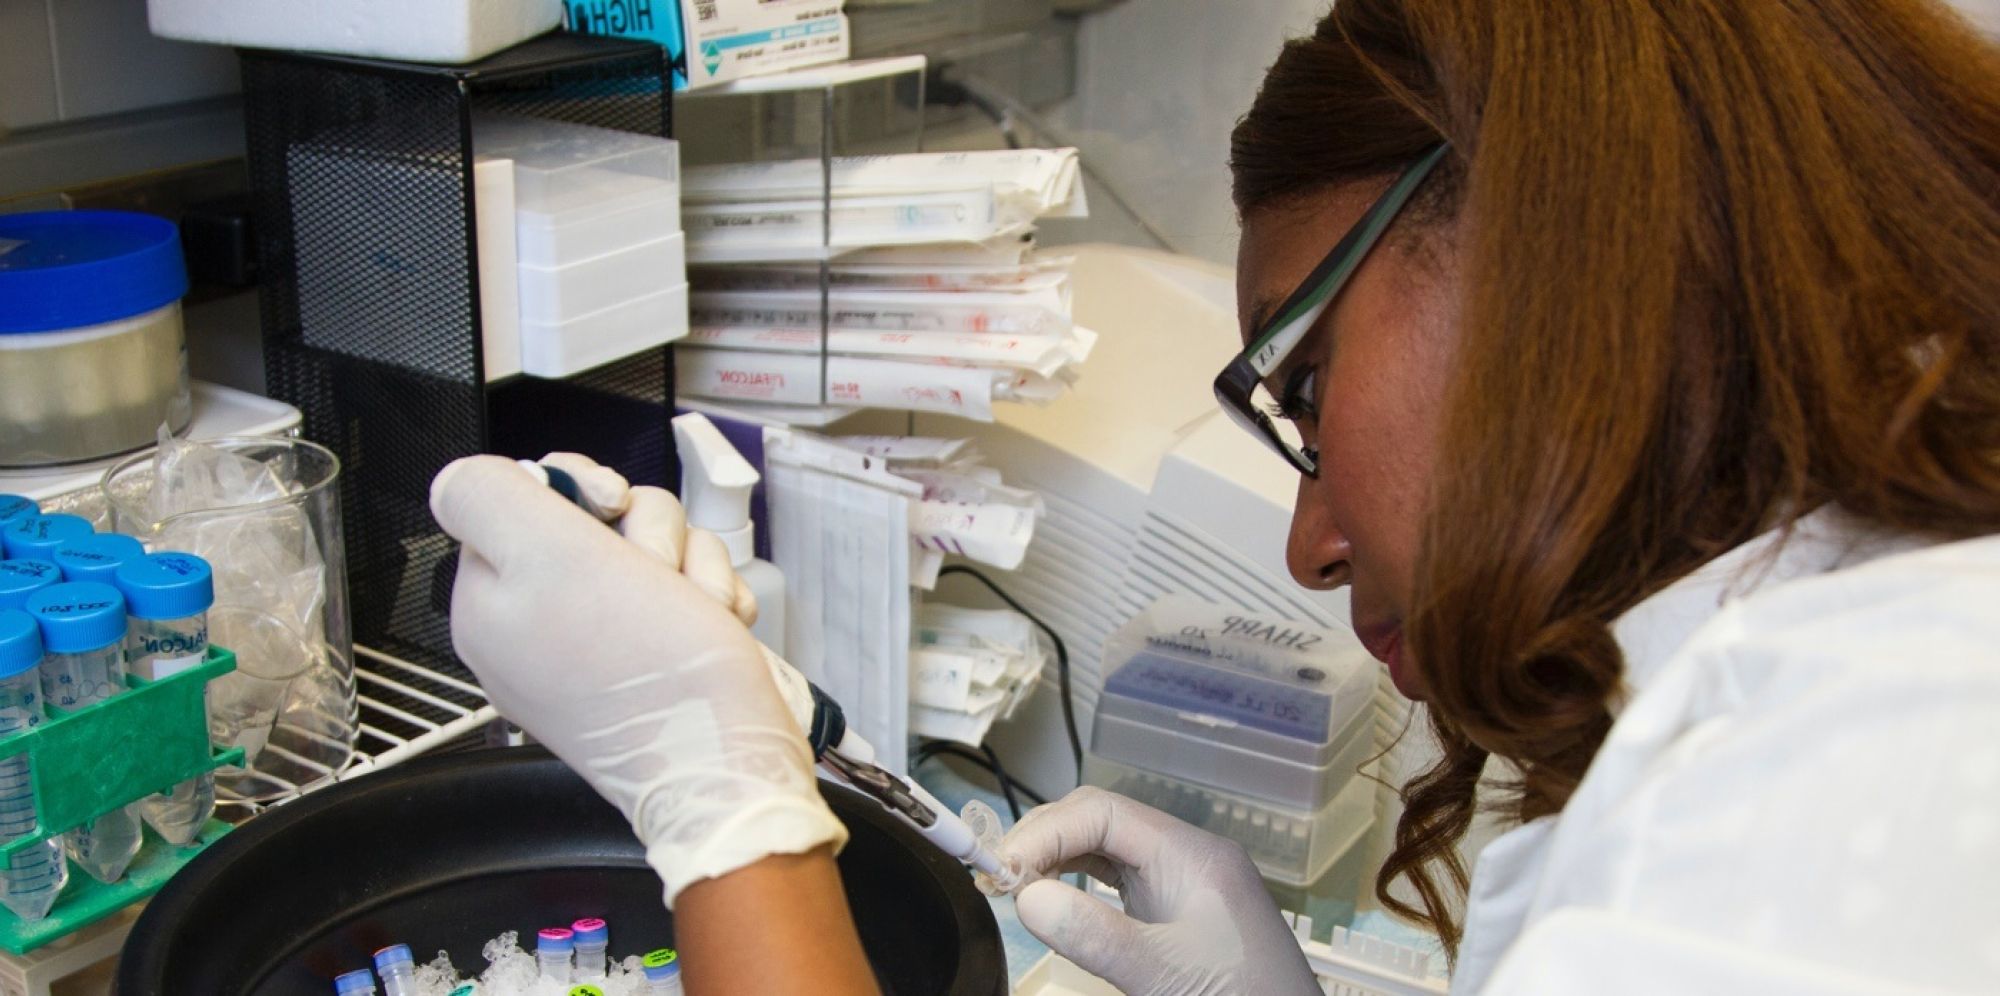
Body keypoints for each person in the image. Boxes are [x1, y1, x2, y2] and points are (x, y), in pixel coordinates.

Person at [430, 0, 2000, 991]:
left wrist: (723, 811)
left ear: (1570, 246)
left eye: (1302, 394)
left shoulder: (1796, 833)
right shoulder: (1871, 657)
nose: (1311, 545)